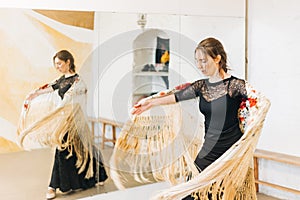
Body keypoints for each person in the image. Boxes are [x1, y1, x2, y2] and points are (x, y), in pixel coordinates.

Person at [131, 37, 249, 199]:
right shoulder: (201, 86)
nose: (200, 66)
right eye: (197, 61)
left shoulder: (236, 85)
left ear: (217, 58)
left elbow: (257, 102)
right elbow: (176, 96)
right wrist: (149, 103)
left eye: (204, 61)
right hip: (209, 149)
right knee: (192, 191)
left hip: (231, 151)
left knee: (223, 194)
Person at [25, 50, 108, 199]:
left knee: (64, 149)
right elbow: (50, 87)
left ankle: (52, 186)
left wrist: (56, 113)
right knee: (80, 150)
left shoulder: (78, 82)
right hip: (65, 118)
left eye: (59, 63)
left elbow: (69, 101)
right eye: (55, 64)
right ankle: (98, 175)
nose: (57, 66)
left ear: (68, 62)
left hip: (75, 120)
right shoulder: (61, 80)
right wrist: (34, 94)